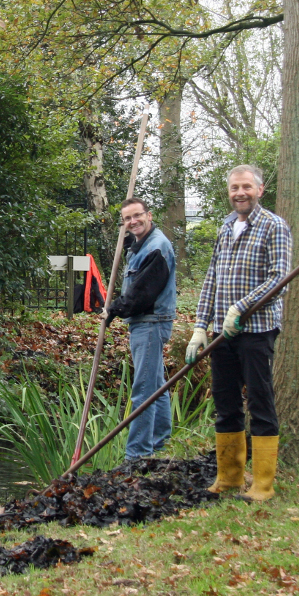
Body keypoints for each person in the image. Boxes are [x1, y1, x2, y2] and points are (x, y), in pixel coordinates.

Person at [185, 165, 292, 502]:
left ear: (259, 190)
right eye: (234, 188)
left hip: (256, 331)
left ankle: (262, 483)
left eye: (246, 186)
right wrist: (201, 326)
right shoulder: (226, 227)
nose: (240, 193)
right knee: (226, 402)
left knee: (260, 402)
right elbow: (212, 278)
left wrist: (240, 309)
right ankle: (229, 477)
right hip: (221, 334)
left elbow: (279, 279)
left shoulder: (274, 226)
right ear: (229, 192)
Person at [104, 197, 177, 460]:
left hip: (151, 323)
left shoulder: (157, 248)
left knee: (144, 391)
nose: (133, 221)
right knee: (156, 386)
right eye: (127, 219)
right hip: (147, 323)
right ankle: (161, 447)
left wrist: (114, 309)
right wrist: (128, 246)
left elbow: (142, 295)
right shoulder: (142, 245)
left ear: (149, 215)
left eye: (137, 216)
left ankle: (136, 457)